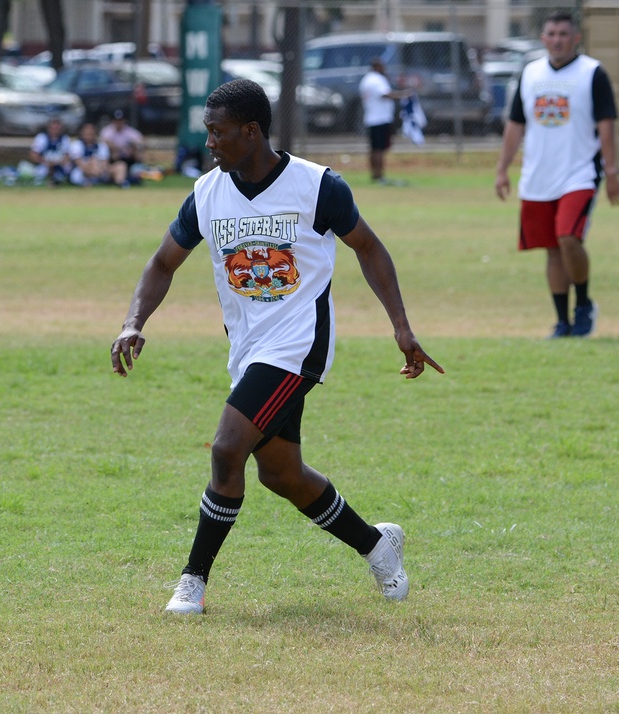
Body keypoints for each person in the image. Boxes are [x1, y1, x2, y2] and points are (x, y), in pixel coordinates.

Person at [109, 78, 444, 615]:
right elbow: (161, 263)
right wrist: (133, 322)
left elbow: (370, 248)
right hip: (247, 349)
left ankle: (192, 582)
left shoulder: (318, 187)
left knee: (226, 449)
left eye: (218, 133)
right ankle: (377, 545)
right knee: (282, 475)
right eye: (208, 133)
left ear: (252, 131)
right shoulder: (206, 193)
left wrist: (402, 328)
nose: (210, 143)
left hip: (298, 346)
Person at [495, 11, 619, 338]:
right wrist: (502, 168)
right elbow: (515, 124)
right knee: (553, 248)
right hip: (539, 175)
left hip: (580, 173)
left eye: (563, 34)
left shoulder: (592, 72)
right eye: (551, 33)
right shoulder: (531, 73)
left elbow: (606, 125)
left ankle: (583, 306)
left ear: (575, 37)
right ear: (543, 38)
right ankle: (562, 321)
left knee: (569, 237)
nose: (557, 40)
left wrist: (611, 172)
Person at [359, 58, 410, 184]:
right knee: (379, 149)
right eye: (382, 66)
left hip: (371, 117)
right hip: (380, 118)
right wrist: (403, 95)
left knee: (374, 148)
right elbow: (385, 94)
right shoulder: (376, 79)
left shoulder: (366, 79)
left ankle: (374, 174)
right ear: (377, 67)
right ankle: (379, 175)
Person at [100, 109, 144, 187]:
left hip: (129, 159)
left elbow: (140, 143)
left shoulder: (131, 133)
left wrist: (132, 148)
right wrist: (117, 148)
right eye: (116, 121)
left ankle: (128, 179)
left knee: (137, 167)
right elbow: (104, 145)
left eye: (120, 120)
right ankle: (120, 180)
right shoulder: (107, 132)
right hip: (114, 160)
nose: (119, 123)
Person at [29, 118, 72, 185]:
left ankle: (61, 180)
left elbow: (68, 155)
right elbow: (33, 154)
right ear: (49, 128)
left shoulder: (65, 139)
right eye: (54, 128)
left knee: (68, 168)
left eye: (57, 128)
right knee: (40, 172)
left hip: (59, 164)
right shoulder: (42, 138)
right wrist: (45, 162)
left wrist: (59, 162)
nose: (55, 130)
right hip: (44, 164)